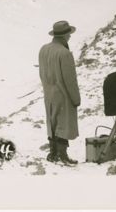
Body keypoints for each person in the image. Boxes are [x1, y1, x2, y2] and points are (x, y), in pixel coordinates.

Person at [39, 20, 82, 165]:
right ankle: (62, 155)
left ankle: (53, 153)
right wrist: (76, 99)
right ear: (66, 35)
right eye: (69, 34)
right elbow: (70, 80)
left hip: (48, 92)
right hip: (62, 94)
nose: (70, 37)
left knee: (51, 121)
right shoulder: (65, 54)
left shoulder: (43, 49)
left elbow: (41, 72)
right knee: (63, 123)